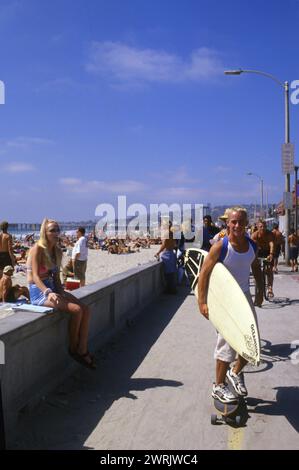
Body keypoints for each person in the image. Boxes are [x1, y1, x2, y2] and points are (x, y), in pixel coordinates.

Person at [198, 207, 261, 403]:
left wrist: (260, 290)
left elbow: (256, 268)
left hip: (243, 297)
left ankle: (235, 373)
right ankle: (218, 386)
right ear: (228, 224)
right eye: (233, 222)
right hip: (224, 300)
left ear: (246, 224)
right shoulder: (220, 247)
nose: (237, 226)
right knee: (226, 346)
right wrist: (202, 302)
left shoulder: (252, 246)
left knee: (252, 342)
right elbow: (204, 274)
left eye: (241, 222)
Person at [27, 218, 95, 369]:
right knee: (76, 311)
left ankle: (83, 349)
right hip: (39, 291)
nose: (56, 232)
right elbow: (36, 277)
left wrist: (61, 291)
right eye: (52, 230)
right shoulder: (37, 249)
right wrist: (48, 292)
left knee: (86, 309)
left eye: (57, 229)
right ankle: (73, 348)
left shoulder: (56, 250)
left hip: (52, 287)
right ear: (44, 232)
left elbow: (56, 277)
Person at [251, 220, 275, 299]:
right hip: (258, 251)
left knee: (269, 270)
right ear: (257, 227)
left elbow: (271, 244)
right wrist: (255, 257)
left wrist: (271, 254)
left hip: (267, 251)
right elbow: (254, 247)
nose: (263, 228)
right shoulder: (255, 235)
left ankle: (270, 288)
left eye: (264, 226)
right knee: (256, 268)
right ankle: (257, 283)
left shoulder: (269, 234)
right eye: (261, 226)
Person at [155, 222, 177, 294]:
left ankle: (170, 290)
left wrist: (158, 252)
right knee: (171, 273)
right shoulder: (172, 233)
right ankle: (172, 289)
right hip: (171, 253)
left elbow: (164, 244)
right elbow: (174, 244)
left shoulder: (166, 233)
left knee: (167, 274)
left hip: (167, 254)